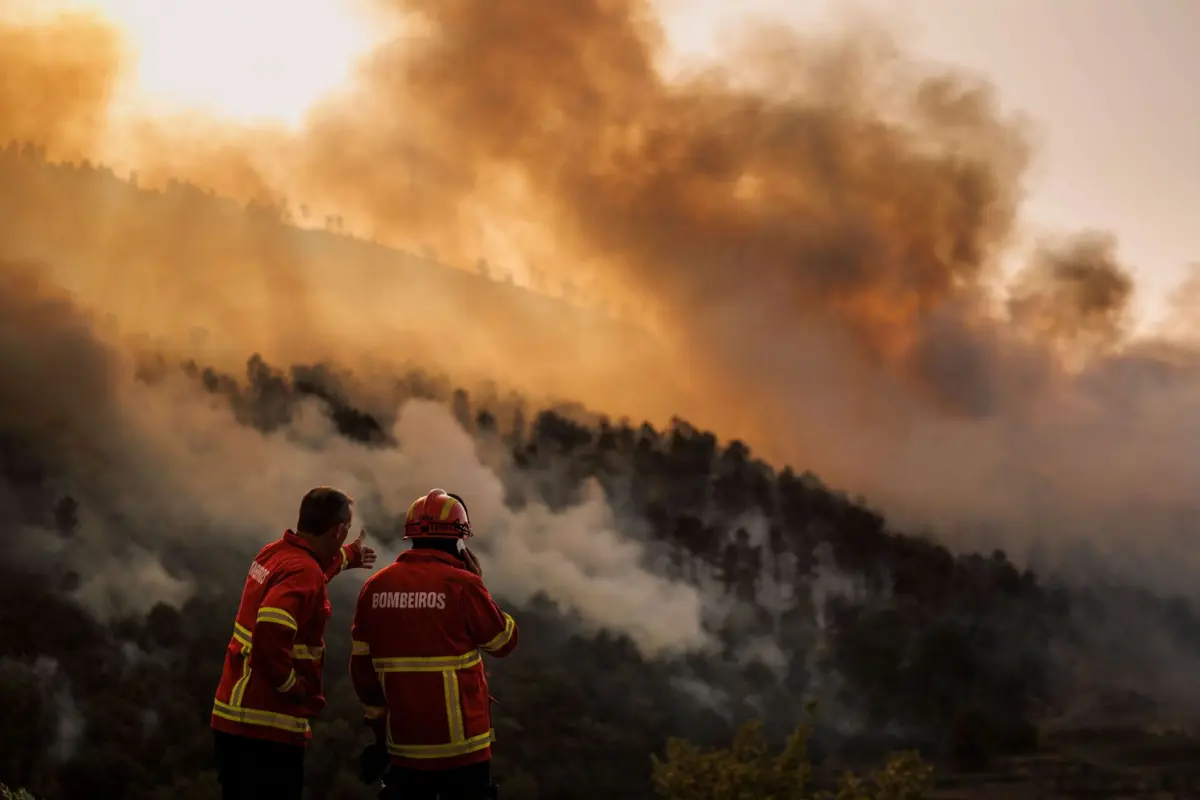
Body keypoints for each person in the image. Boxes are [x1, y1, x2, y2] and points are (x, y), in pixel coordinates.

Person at [211, 486, 378, 800]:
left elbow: (306, 581)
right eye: (347, 530)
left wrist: (347, 557)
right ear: (339, 530)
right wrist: (294, 689)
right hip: (265, 727)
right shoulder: (303, 572)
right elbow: (270, 635)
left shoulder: (273, 553)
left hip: (233, 718)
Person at [350, 488, 519, 800]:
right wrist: (479, 584)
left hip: (403, 746)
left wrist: (379, 736)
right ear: (459, 541)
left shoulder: (375, 587)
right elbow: (503, 642)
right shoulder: (463, 585)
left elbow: (362, 672)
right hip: (464, 750)